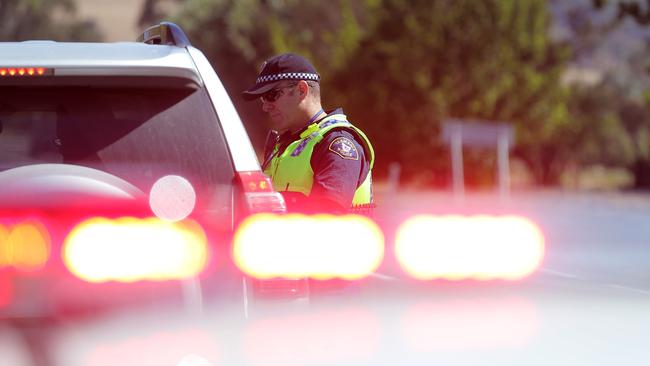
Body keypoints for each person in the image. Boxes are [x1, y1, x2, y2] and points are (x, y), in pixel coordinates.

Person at [242, 53, 374, 214]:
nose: (266, 106)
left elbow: (329, 215)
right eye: (263, 98)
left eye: (271, 95)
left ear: (302, 90)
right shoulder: (285, 144)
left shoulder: (337, 141)